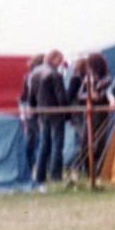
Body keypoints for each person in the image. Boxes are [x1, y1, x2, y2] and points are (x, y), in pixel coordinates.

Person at [32, 49, 67, 186]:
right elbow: (61, 97)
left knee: (44, 145)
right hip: (56, 113)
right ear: (54, 59)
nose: (61, 63)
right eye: (60, 59)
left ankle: (40, 176)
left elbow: (31, 96)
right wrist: (67, 112)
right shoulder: (55, 75)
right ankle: (55, 175)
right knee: (57, 144)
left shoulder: (35, 73)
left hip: (42, 112)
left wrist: (35, 110)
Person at [18, 54, 44, 177]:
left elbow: (24, 96)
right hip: (33, 110)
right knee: (40, 138)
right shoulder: (37, 76)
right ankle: (37, 166)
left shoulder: (28, 75)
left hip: (26, 109)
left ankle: (29, 165)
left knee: (30, 139)